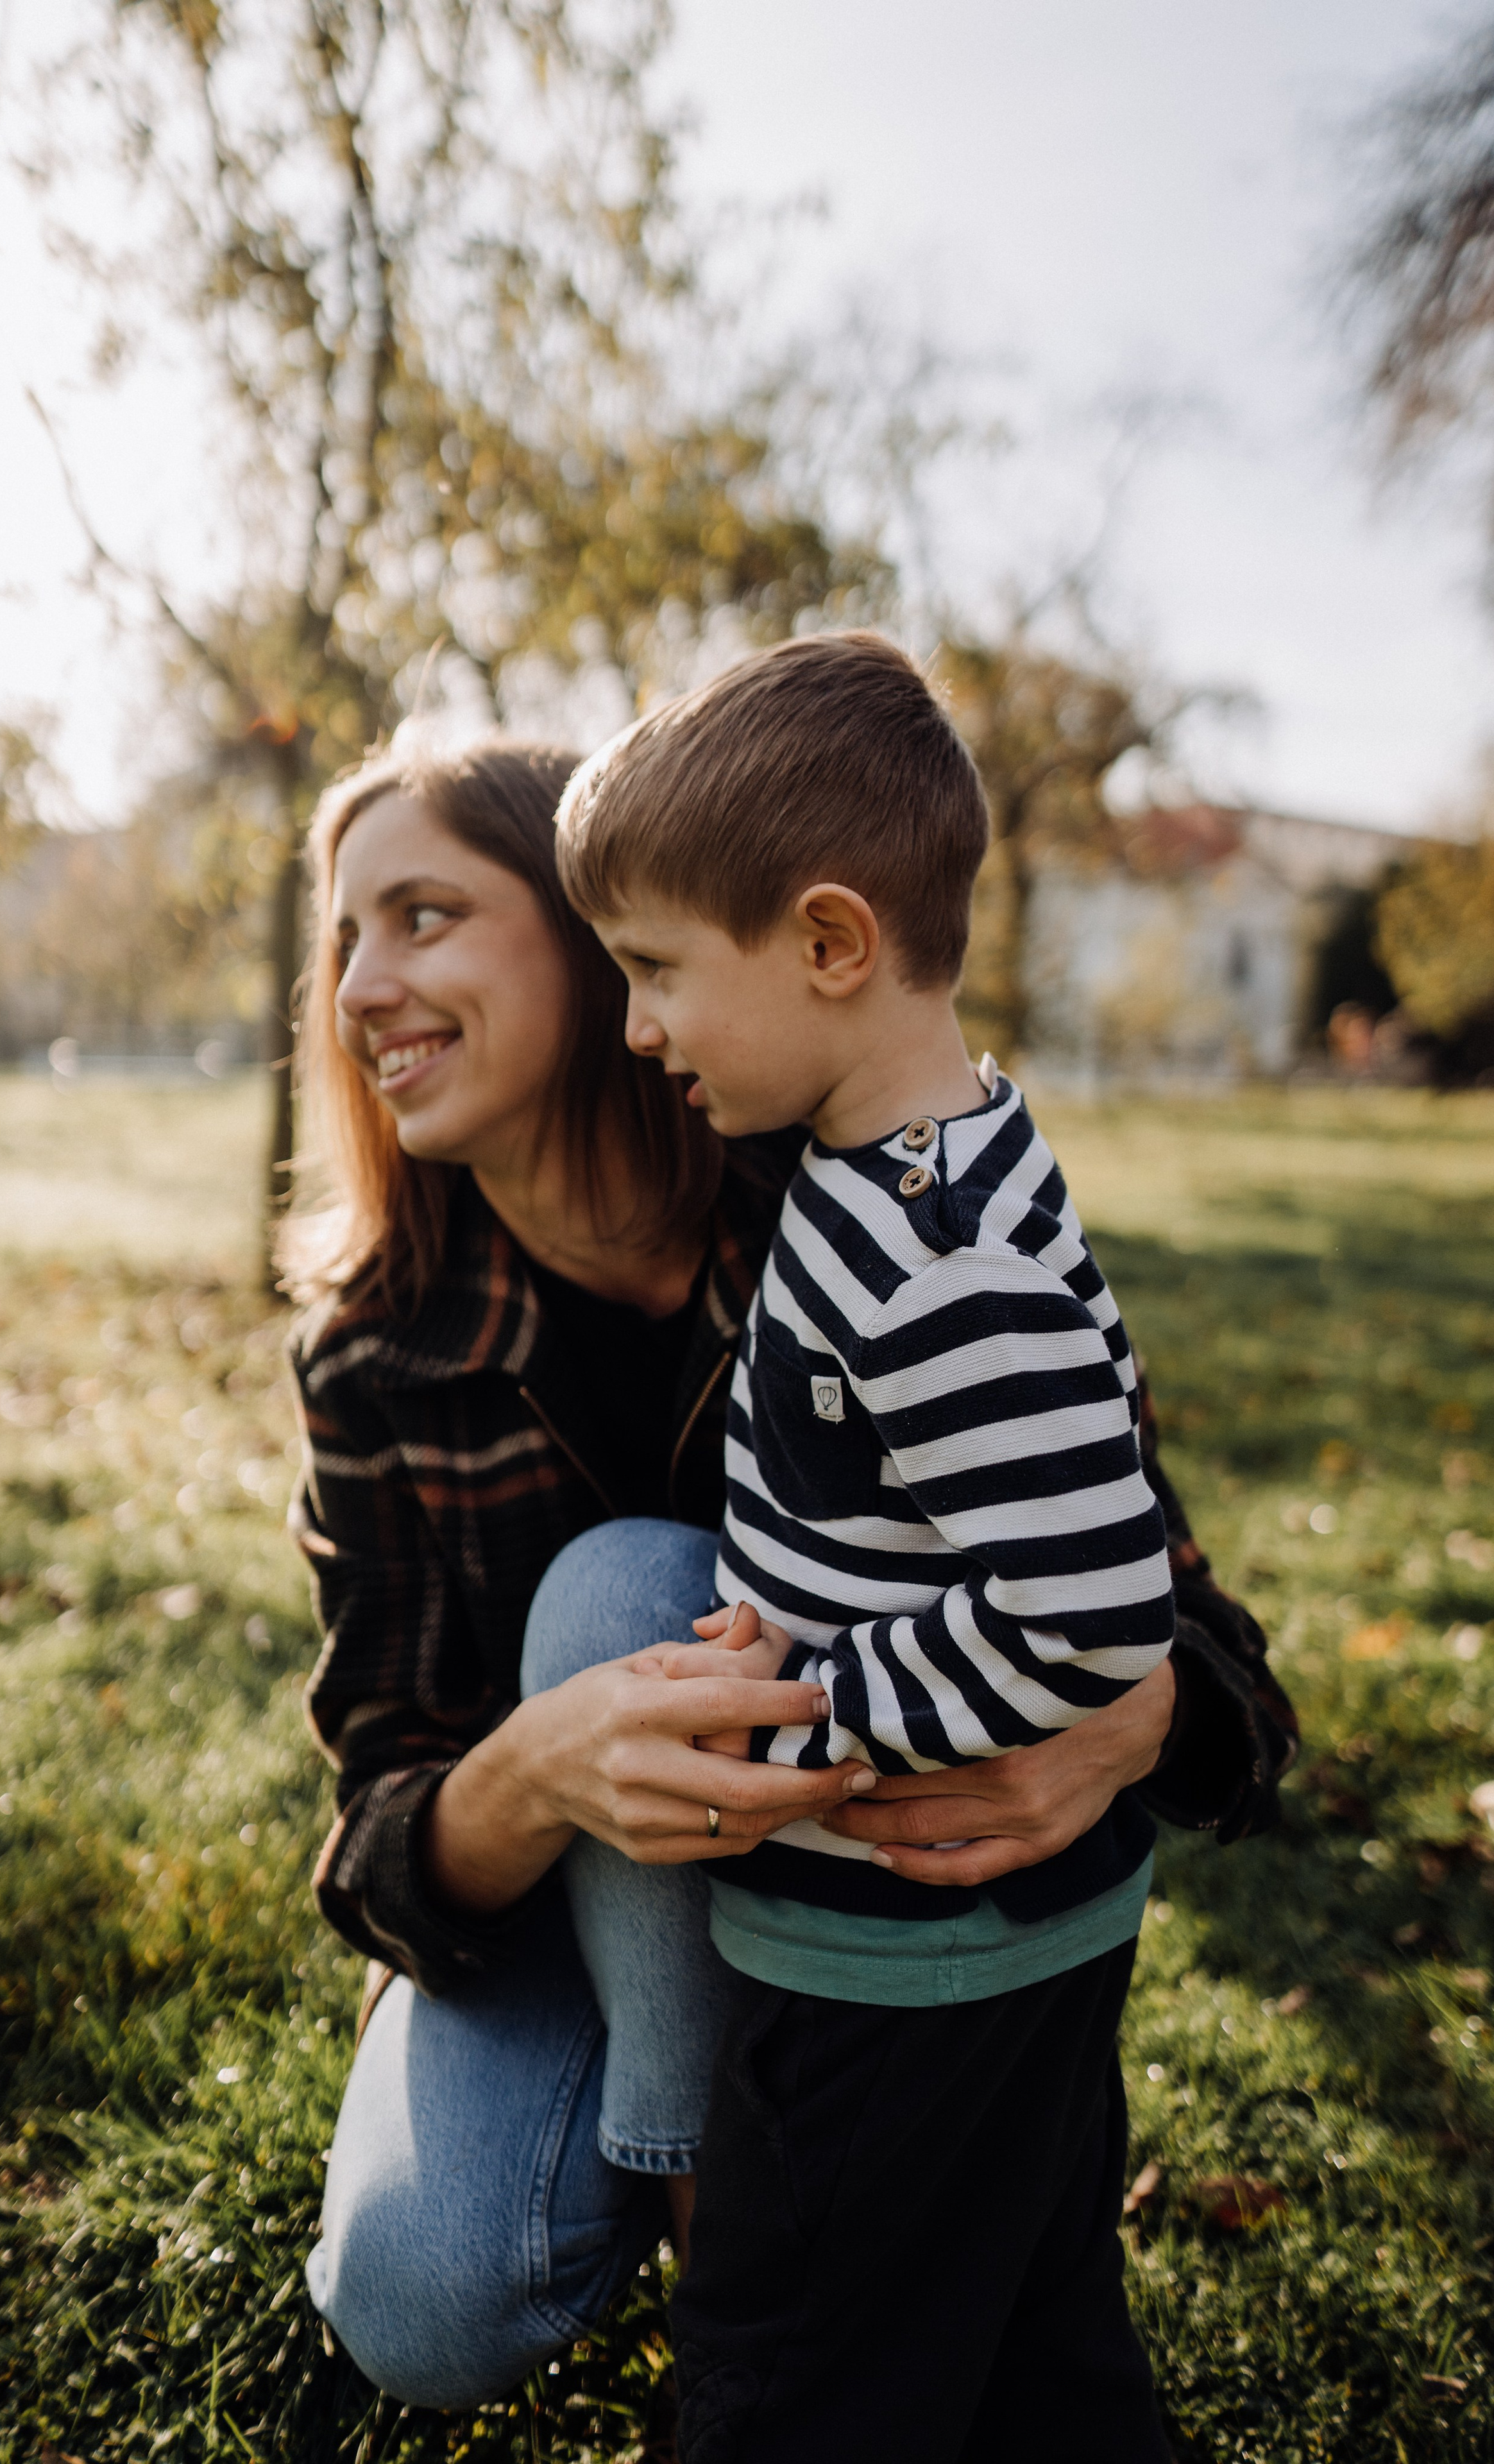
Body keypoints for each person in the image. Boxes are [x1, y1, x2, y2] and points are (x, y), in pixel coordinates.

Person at [280, 732, 1293, 2423]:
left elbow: (1166, 1604)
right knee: (427, 2291)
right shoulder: (375, 1348)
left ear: (599, 942)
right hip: (552, 1902)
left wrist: (1134, 1713)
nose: (361, 986)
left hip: (859, 1906)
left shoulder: (855, 1190)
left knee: (627, 1591)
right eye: (344, 940)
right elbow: (377, 1831)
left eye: (424, 916)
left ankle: (731, 2236)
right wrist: (543, 1769)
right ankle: (711, 2182)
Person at [554, 629, 1175, 2461]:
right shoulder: (908, 1168)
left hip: (909, 1964)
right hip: (979, 1951)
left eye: (658, 969)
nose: (638, 1027)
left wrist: (814, 1716)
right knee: (1030, 2343)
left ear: (832, 943)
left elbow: (1090, 1605)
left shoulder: (933, 1258)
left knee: (798, 2365)